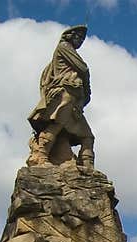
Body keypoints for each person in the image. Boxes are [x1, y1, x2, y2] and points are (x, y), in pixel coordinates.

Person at [27, 24, 95, 168]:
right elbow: (83, 68)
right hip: (66, 94)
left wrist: (84, 96)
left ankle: (88, 168)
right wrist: (86, 88)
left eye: (82, 38)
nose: (80, 40)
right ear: (69, 36)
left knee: (87, 136)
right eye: (78, 36)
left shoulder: (69, 50)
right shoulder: (64, 47)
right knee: (57, 125)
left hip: (75, 100)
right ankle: (41, 157)